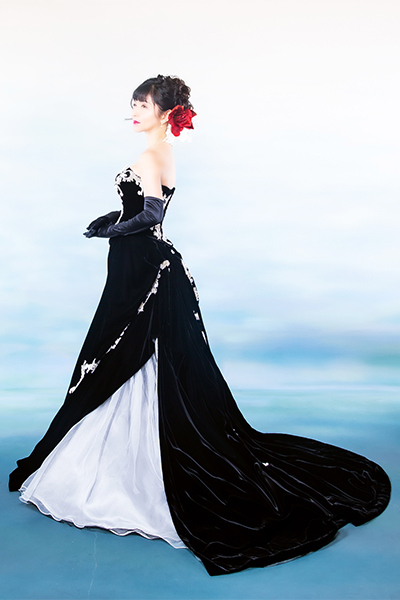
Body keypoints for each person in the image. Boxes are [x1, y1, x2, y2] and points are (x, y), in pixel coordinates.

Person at [9, 75, 391, 576]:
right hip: (138, 267)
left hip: (146, 270)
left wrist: (111, 229)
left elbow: (150, 214)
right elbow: (142, 208)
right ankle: (117, 452)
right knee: (127, 356)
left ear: (165, 112)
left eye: (142, 104)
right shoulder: (159, 153)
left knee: (126, 354)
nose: (133, 110)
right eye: (133, 103)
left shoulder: (153, 155)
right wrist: (112, 221)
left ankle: (139, 470)